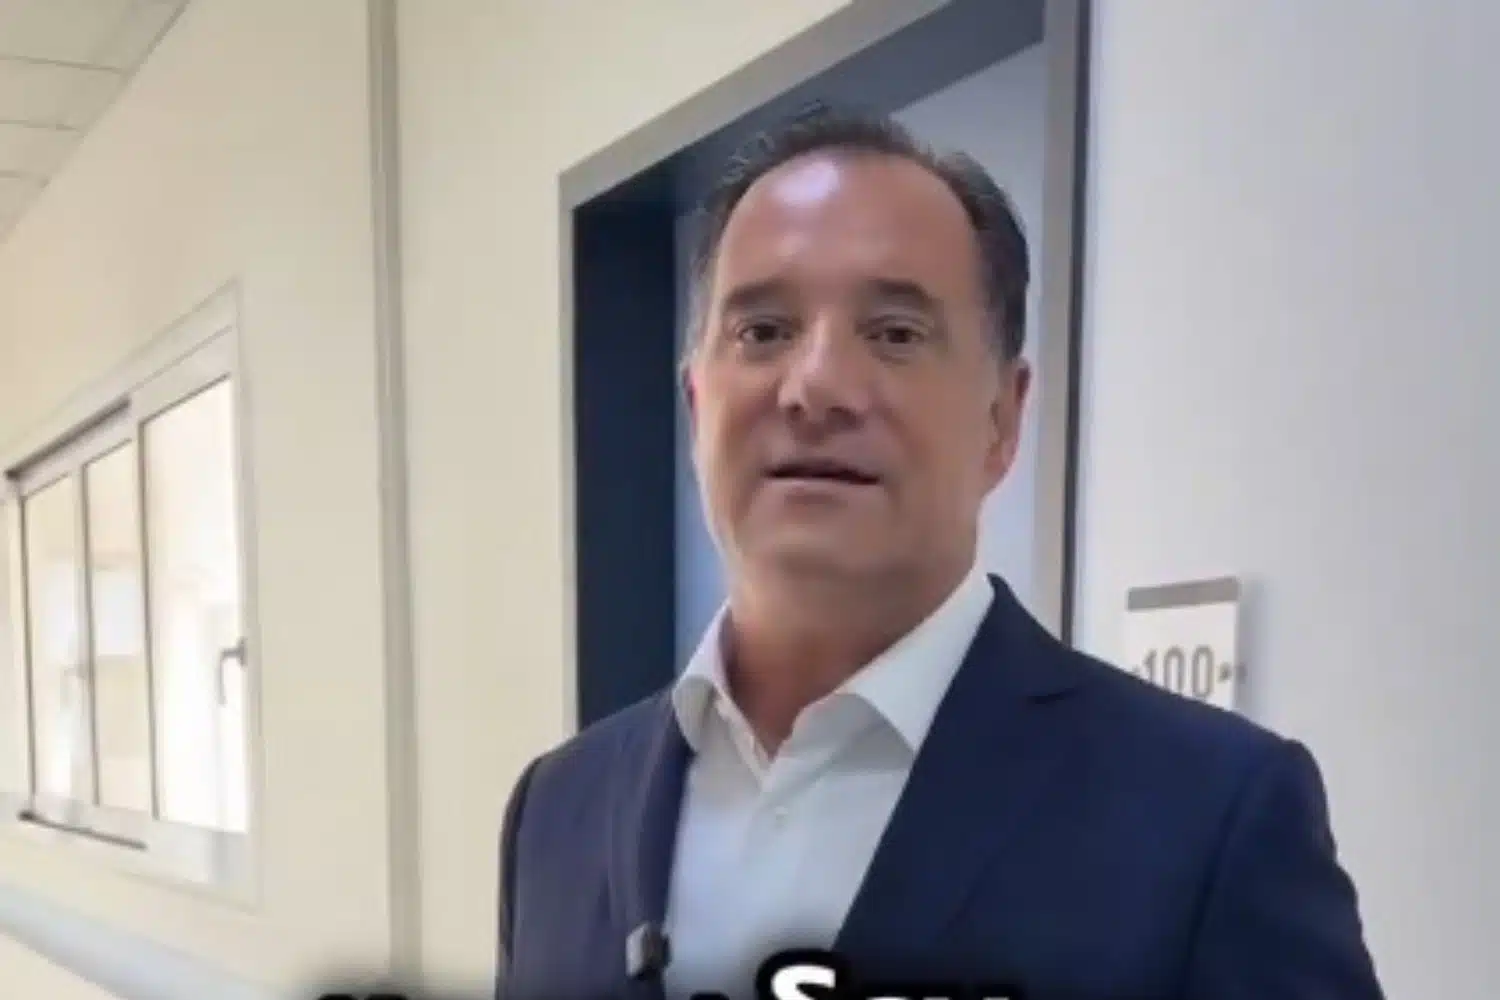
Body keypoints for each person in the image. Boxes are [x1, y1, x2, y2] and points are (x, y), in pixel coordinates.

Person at [496, 109, 1384, 1000]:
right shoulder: (559, 809)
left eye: (895, 333)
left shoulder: (1208, 816)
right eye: (762, 331)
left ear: (1003, 418)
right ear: (696, 405)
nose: (816, 386)